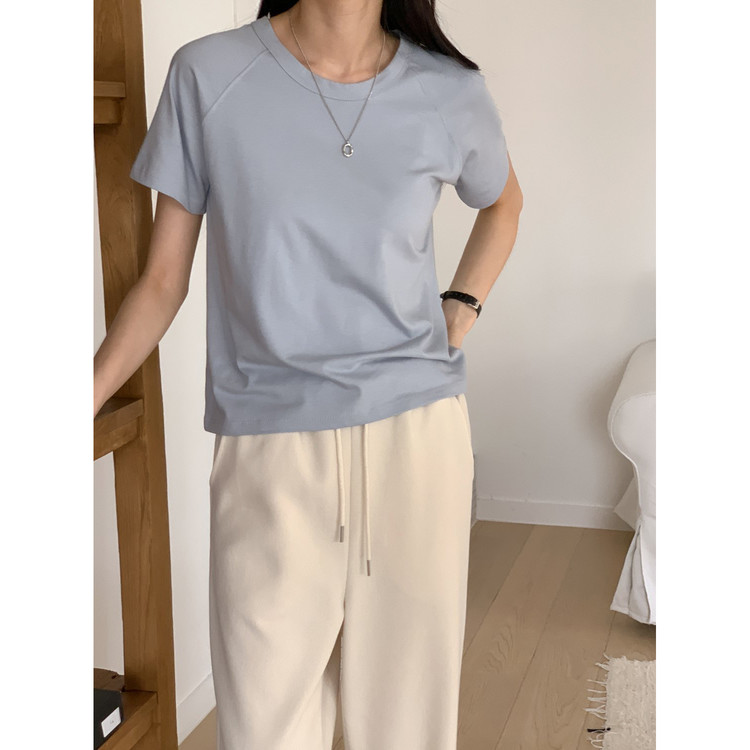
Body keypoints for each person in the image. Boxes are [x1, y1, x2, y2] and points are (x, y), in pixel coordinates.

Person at [93, 0, 523, 747]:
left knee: (407, 726)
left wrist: (460, 307)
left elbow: (504, 202)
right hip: (269, 450)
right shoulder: (209, 75)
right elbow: (163, 281)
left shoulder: (449, 89)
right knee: (264, 726)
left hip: (417, 444)